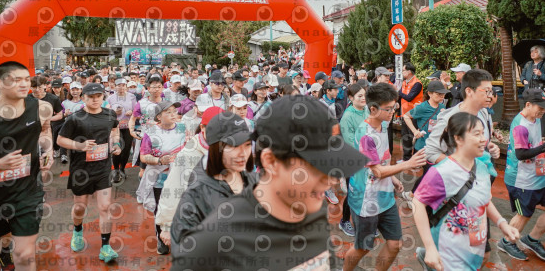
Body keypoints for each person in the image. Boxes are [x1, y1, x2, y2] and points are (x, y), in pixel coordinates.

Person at [171, 95, 369, 271]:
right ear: (271, 162)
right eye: (316, 168)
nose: (331, 181)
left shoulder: (313, 209)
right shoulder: (210, 244)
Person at [413, 113, 520, 271]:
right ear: (458, 139)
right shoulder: (442, 172)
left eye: (483, 133)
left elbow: (484, 199)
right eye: (476, 134)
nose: (483, 139)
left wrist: (502, 224)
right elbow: (418, 203)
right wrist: (430, 248)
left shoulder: (482, 167)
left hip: (473, 247)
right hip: (448, 250)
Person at [343, 83, 427, 271]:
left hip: (385, 197)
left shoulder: (383, 124)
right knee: (363, 248)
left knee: (395, 244)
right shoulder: (366, 135)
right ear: (373, 109)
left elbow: (381, 162)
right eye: (388, 109)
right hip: (365, 200)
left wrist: (393, 178)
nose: (392, 112)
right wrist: (407, 164)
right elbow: (378, 172)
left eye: (394, 107)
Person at [0, 61, 54, 271]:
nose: (25, 84)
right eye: (16, 80)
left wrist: (47, 150)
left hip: (27, 192)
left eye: (26, 79)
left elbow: (45, 131)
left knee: (25, 255)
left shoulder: (42, 108)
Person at [169, 111, 257, 255]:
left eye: (247, 145)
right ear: (216, 148)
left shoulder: (255, 181)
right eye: (234, 146)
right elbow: (183, 252)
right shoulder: (196, 195)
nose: (243, 153)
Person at [57, 82, 121, 263]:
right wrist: (80, 146)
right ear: (83, 98)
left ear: (103, 97)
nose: (95, 100)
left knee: (105, 207)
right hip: (81, 170)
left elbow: (115, 130)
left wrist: (116, 144)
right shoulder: (75, 118)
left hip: (103, 168)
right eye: (91, 97)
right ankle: (77, 231)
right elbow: (60, 140)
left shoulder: (110, 114)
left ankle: (105, 247)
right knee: (80, 208)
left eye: (98, 96)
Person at [497, 89, 545, 262]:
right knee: (524, 215)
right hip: (522, 180)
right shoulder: (520, 126)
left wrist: (544, 146)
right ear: (528, 105)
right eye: (540, 107)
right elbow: (521, 154)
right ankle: (506, 242)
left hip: (540, 176)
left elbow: (533, 144)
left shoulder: (535, 118)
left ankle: (532, 239)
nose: (544, 111)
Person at [138, 101, 188, 255]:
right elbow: (144, 156)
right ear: (159, 117)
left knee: (181, 208)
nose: (173, 114)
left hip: (179, 177)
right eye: (168, 112)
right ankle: (161, 239)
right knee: (160, 209)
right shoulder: (151, 133)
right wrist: (159, 160)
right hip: (159, 178)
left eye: (174, 111)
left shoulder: (183, 128)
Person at [338, 83, 368, 237]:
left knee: (366, 191)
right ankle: (344, 220)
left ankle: (365, 222)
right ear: (350, 98)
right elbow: (350, 142)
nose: (363, 98)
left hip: (368, 157)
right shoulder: (347, 116)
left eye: (364, 95)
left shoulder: (367, 110)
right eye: (359, 96)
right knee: (353, 192)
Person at [402, 80, 448, 163]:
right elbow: (406, 116)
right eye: (438, 94)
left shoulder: (442, 107)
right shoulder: (422, 107)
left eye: (443, 94)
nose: (442, 96)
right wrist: (415, 131)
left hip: (436, 147)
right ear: (430, 93)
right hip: (422, 147)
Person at [128, 76, 164, 179]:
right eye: (154, 87)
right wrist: (131, 131)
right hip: (146, 140)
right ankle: (144, 187)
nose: (156, 89)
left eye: (159, 87)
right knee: (143, 170)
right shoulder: (142, 103)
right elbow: (133, 118)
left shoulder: (167, 103)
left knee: (162, 167)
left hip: (163, 139)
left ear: (162, 88)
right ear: (148, 88)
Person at [520, 45, 545, 138]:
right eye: (531, 52)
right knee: (530, 113)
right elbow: (523, 75)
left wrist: (541, 74)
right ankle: (530, 134)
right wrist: (523, 81)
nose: (532, 54)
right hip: (529, 93)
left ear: (541, 53)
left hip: (543, 93)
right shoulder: (528, 64)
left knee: (544, 114)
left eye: (535, 52)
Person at [107, 77, 137, 183]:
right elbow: (106, 111)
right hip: (116, 127)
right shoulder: (110, 98)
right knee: (117, 148)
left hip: (128, 126)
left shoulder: (132, 97)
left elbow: (136, 110)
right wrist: (114, 112)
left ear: (126, 86)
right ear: (115, 86)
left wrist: (131, 112)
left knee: (126, 149)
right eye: (119, 85)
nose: (121, 87)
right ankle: (116, 170)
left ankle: (122, 169)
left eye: (123, 85)